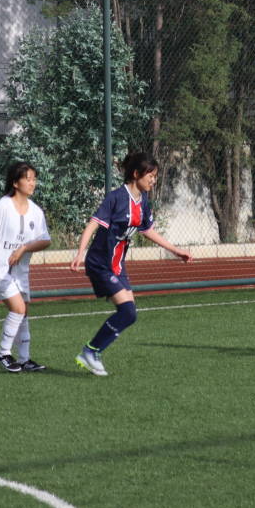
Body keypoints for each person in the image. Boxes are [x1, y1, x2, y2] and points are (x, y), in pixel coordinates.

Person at [70, 151, 191, 376]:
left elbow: (148, 231)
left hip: (117, 265)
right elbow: (93, 224)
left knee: (129, 314)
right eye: (150, 176)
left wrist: (176, 251)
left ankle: (92, 351)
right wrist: (80, 253)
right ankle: (90, 351)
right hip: (100, 262)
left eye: (155, 176)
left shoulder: (143, 201)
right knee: (126, 311)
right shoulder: (115, 197)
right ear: (136, 174)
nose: (154, 180)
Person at [0, 161, 53, 372]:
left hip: (20, 272)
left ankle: (24, 359)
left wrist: (24, 248)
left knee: (23, 312)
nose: (32, 183)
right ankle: (3, 353)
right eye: (28, 179)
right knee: (18, 308)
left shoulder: (36, 212)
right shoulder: (3, 206)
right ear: (15, 183)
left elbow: (46, 240)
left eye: (34, 179)